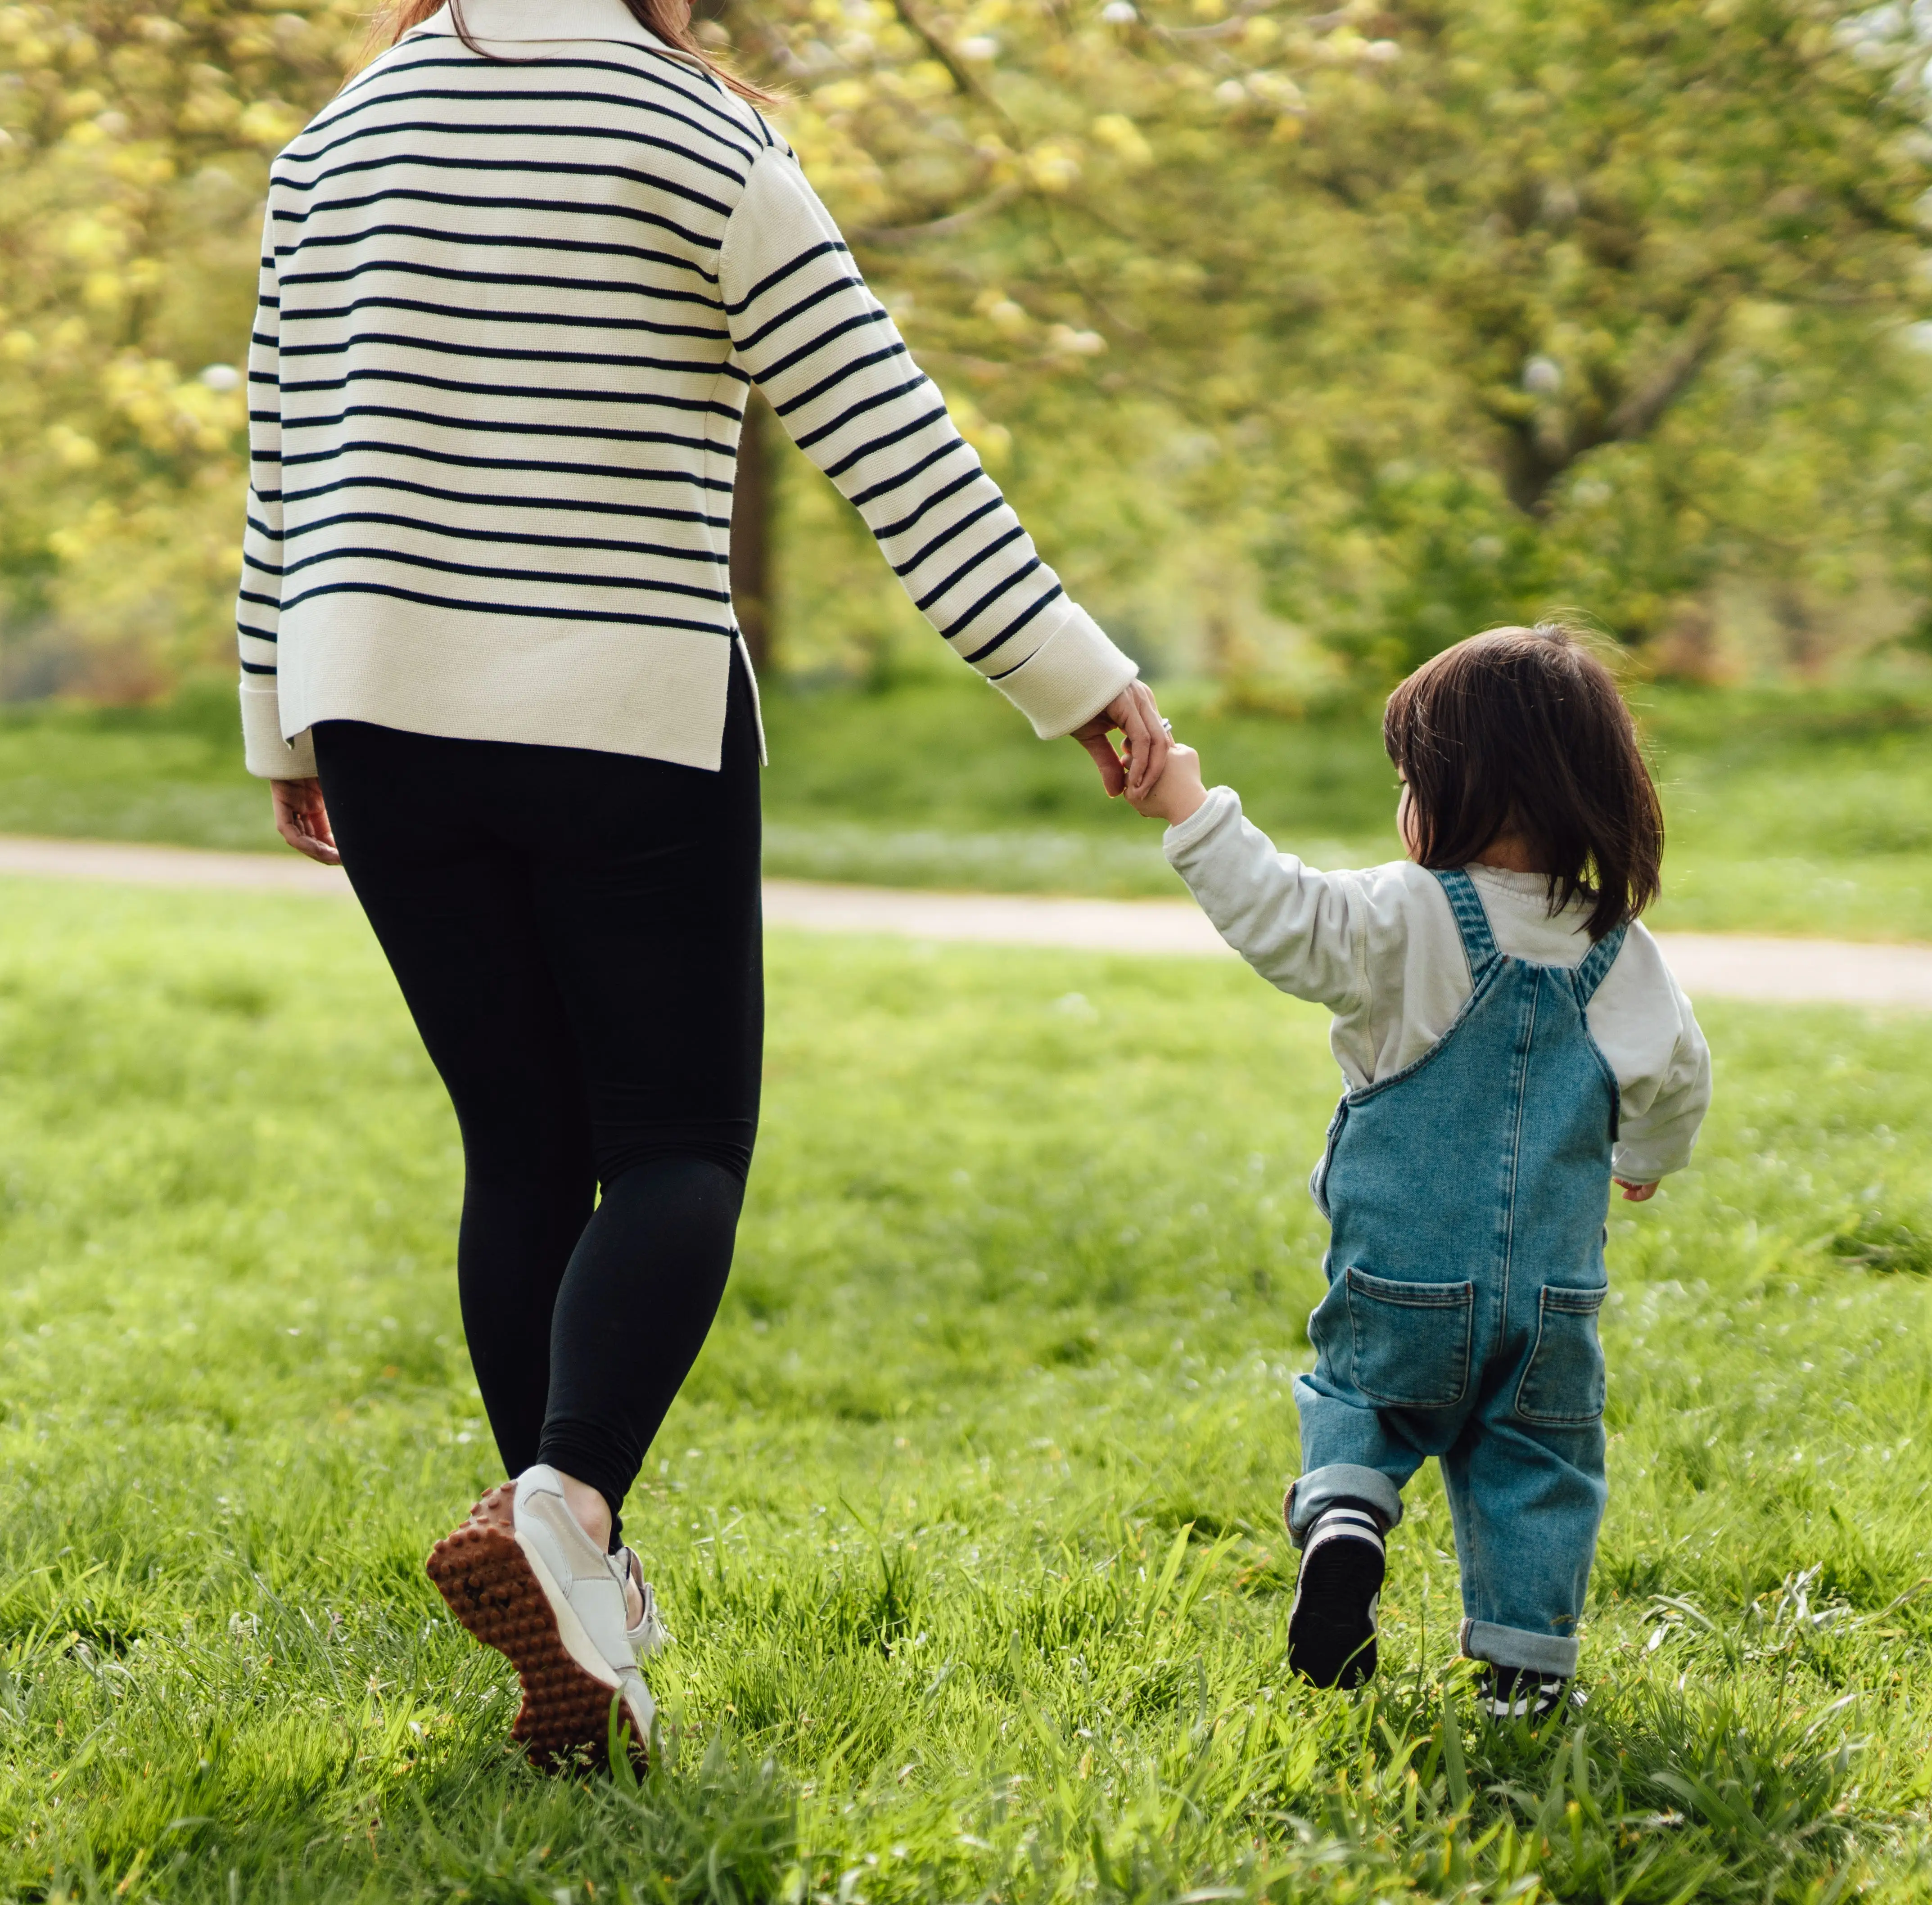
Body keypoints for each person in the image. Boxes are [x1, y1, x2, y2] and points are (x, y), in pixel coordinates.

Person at [238, 0, 1169, 1770]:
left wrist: (279, 718)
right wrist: (1074, 675)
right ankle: (571, 1512)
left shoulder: (335, 143)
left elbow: (283, 464)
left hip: (374, 705)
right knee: (673, 1151)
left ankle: (578, 1600)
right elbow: (894, 447)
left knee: (520, 1148)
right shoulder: (697, 135)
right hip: (626, 718)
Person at [1123, 625, 1707, 1716]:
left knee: (1361, 1397)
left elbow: (1280, 914)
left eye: (1410, 780)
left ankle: (1346, 1512)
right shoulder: (1620, 947)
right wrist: (1645, 1158)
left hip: (1403, 1276)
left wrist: (1191, 810)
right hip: (1549, 1298)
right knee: (1542, 1463)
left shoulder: (1405, 914)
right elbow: (1679, 1072)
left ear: (1459, 790)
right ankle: (1528, 1673)